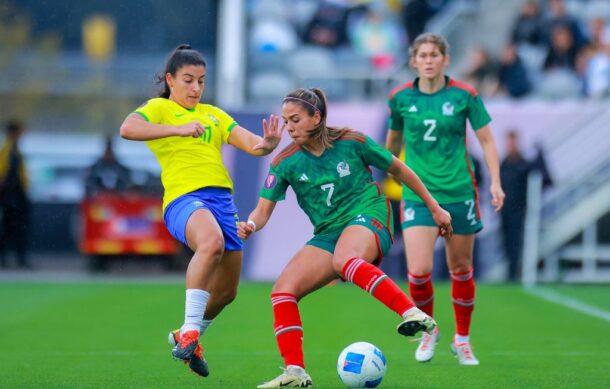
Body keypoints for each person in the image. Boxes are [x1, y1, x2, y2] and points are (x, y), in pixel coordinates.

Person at [238, 87, 453, 388]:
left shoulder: (352, 142)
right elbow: (262, 211)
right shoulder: (285, 161)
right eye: (286, 121)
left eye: (295, 120)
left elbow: (400, 170)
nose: (289, 128)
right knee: (282, 291)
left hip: (370, 214)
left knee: (344, 260)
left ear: (317, 117)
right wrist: (249, 224)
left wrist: (435, 208)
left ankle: (413, 313)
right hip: (329, 231)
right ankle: (296, 372)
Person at [119, 44, 283, 378]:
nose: (196, 88)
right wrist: (177, 128)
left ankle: (187, 336)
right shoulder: (160, 109)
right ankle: (191, 331)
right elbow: (128, 128)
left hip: (222, 203)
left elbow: (252, 144)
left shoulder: (213, 114)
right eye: (189, 80)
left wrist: (267, 144)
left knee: (226, 293)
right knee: (210, 243)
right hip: (184, 199)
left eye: (202, 81)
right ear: (171, 79)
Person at [385, 33, 505, 366]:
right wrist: (384, 178)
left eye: (434, 54)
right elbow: (390, 148)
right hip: (419, 196)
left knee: (461, 268)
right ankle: (429, 331)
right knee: (419, 271)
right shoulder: (400, 98)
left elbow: (488, 142)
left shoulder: (465, 95)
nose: (428, 59)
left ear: (445, 60)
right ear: (413, 61)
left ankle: (462, 340)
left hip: (459, 193)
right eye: (422, 54)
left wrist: (495, 181)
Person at [500, 131, 552, 282]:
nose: (511, 146)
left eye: (513, 142)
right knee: (506, 243)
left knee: (516, 243)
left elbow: (545, 177)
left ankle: (514, 274)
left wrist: (541, 155)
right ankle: (510, 273)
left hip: (519, 211)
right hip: (504, 211)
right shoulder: (503, 164)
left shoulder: (523, 164)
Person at [0, 120, 31, 269]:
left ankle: (17, 258)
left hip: (16, 195)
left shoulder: (13, 149)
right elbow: (3, 173)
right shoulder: (7, 149)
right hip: (11, 195)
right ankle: (9, 258)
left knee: (16, 228)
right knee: (10, 227)